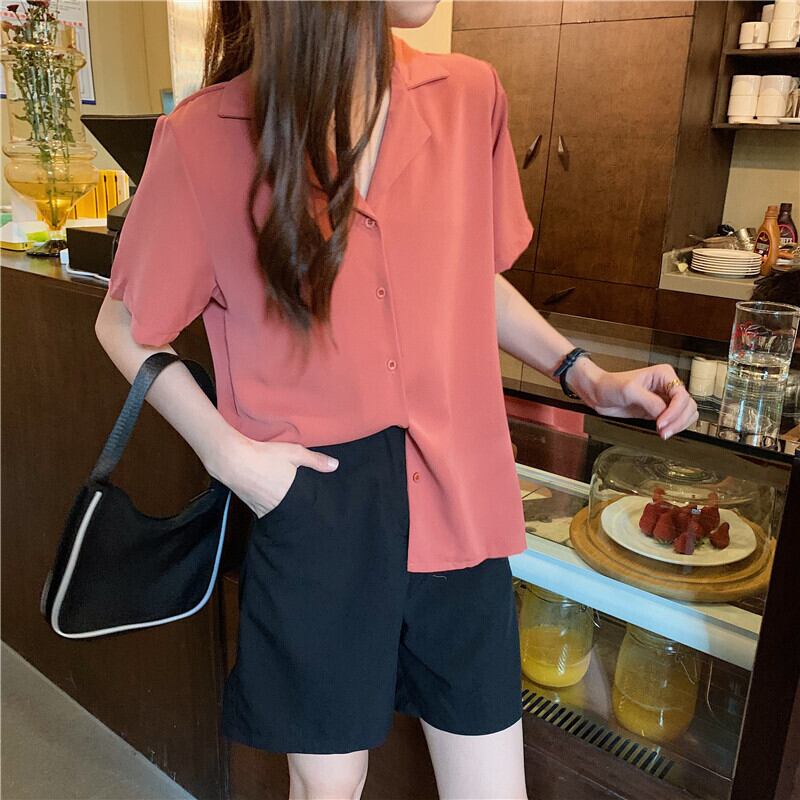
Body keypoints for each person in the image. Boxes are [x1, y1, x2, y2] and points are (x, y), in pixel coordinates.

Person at [94, 2, 698, 798]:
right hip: (317, 507)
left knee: (492, 788)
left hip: (459, 492)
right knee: (329, 787)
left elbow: (466, 273)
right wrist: (231, 457)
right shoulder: (208, 135)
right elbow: (122, 322)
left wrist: (582, 372)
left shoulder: (468, 95)